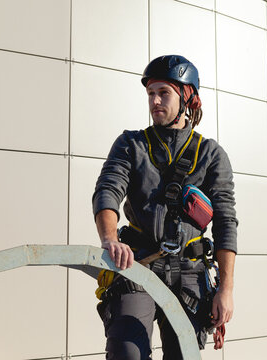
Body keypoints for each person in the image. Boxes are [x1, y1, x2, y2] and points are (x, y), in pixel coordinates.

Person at [92, 55, 238, 359]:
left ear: (188, 99)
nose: (155, 100)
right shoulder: (131, 144)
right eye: (150, 93)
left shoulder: (211, 154)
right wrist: (109, 239)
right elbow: (108, 189)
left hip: (190, 273)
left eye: (164, 93)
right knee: (126, 353)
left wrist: (225, 290)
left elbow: (226, 222)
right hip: (138, 265)